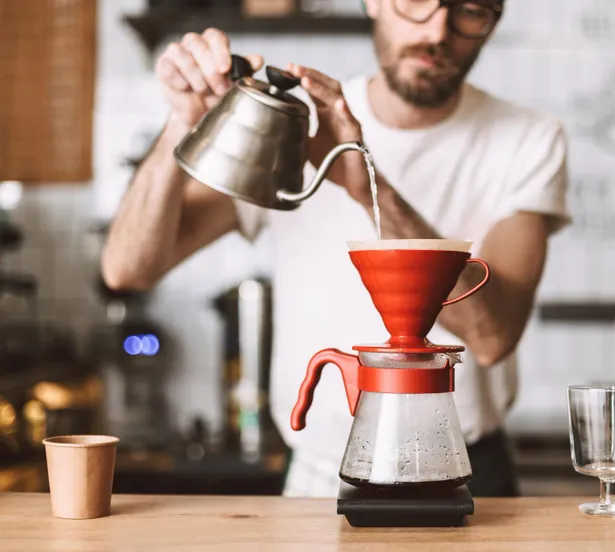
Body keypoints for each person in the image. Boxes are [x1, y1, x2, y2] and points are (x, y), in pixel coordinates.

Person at [101, 0, 570, 497]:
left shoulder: (528, 139)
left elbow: (492, 336)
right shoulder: (300, 130)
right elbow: (126, 268)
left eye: (470, 10)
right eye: (416, 2)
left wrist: (360, 178)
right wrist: (183, 122)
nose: (438, 30)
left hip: (468, 470)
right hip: (319, 477)